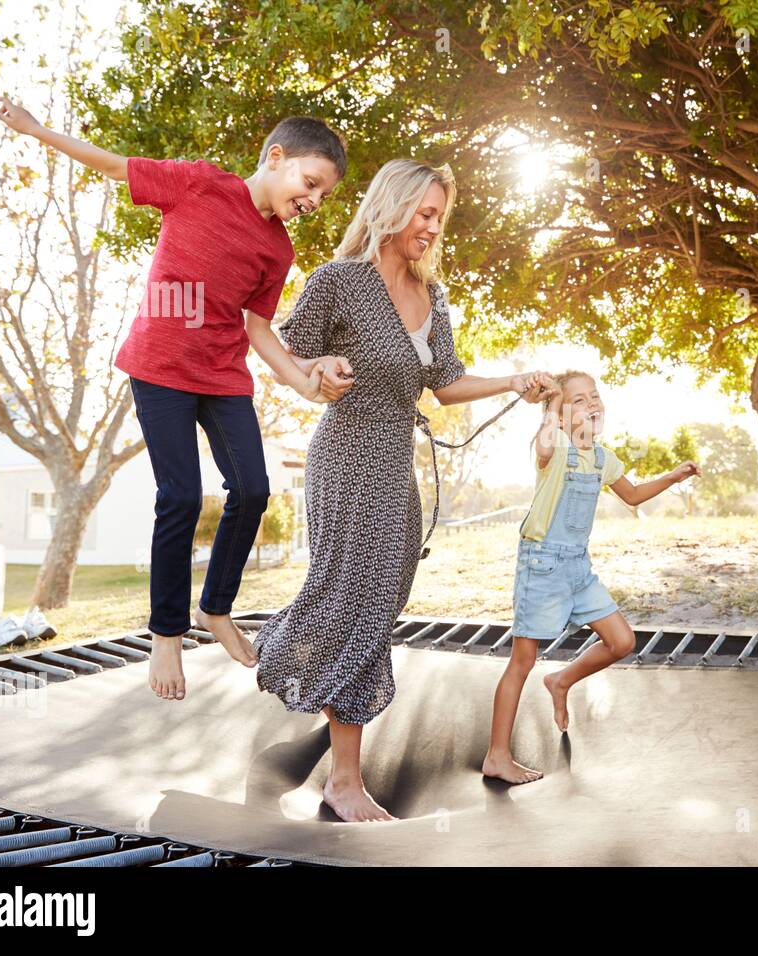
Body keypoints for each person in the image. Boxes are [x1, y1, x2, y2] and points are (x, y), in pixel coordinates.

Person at [0, 97, 355, 701]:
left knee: (254, 489)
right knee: (181, 495)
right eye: (311, 183)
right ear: (276, 157)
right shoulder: (198, 184)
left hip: (222, 375)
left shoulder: (279, 251)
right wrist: (35, 130)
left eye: (323, 196)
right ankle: (167, 630)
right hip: (160, 368)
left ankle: (216, 607)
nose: (314, 201)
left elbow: (259, 329)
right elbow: (112, 166)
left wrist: (303, 378)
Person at [252, 158, 556, 822]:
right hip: (348, 453)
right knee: (357, 603)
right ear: (390, 208)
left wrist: (512, 382)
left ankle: (280, 646)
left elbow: (445, 383)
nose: (430, 228)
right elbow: (282, 354)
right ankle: (345, 781)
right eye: (423, 214)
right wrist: (316, 369)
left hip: (397, 466)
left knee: (379, 599)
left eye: (438, 218)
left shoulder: (432, 297)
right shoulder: (339, 283)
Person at [481, 370, 701, 784]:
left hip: (578, 568)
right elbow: (545, 443)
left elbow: (632, 495)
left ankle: (561, 680)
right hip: (542, 564)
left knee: (622, 641)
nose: (591, 404)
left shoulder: (602, 458)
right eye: (578, 400)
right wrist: (549, 407)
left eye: (594, 397)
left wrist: (673, 477)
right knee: (522, 660)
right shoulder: (556, 447)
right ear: (561, 416)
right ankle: (497, 755)